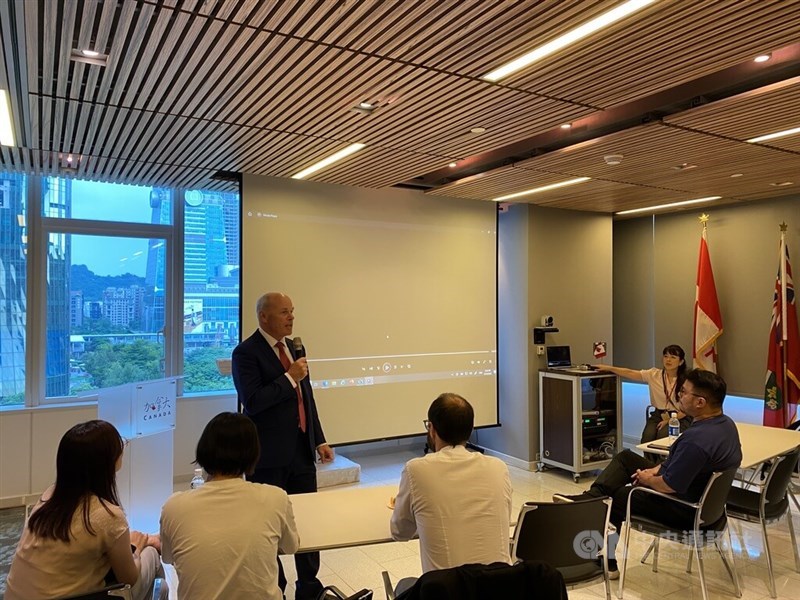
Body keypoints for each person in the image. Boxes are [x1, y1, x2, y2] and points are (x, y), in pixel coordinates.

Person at [554, 369, 742, 574]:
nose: (679, 394)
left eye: (684, 392)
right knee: (626, 458)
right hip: (710, 508)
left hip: (686, 509)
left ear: (700, 402)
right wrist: (655, 469)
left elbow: (668, 485)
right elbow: (680, 462)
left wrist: (647, 479)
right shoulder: (726, 425)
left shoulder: (696, 441)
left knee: (618, 496)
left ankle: (605, 561)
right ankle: (588, 499)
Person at [231, 292, 333, 600]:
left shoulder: (294, 348)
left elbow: (307, 398)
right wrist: (289, 377)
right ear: (264, 316)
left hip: (301, 450)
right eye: (284, 312)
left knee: (307, 522)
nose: (291, 317)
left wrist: (319, 438)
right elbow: (253, 402)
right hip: (267, 455)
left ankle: (309, 588)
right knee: (267, 526)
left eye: (293, 312)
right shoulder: (246, 353)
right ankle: (274, 588)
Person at [5, 420, 166, 600]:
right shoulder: (107, 516)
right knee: (151, 555)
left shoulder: (49, 496)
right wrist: (136, 547)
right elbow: (129, 578)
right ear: (108, 459)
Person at [160, 412, 299, 600]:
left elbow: (168, 557)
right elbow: (291, 546)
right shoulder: (275, 498)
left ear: (203, 450)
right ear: (253, 454)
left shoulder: (174, 507)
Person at [391, 393, 513, 577]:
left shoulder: (416, 470)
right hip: (501, 588)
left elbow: (400, 532)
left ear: (431, 429)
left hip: (446, 591)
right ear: (470, 429)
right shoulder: (498, 467)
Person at [595, 344, 691, 443]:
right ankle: (648, 459)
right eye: (666, 356)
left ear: (681, 362)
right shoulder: (654, 374)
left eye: (673, 357)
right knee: (647, 437)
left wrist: (668, 421)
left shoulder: (687, 380)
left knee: (663, 436)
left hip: (680, 416)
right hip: (659, 414)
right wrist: (610, 368)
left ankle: (663, 459)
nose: (668, 360)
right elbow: (630, 372)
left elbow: (689, 407)